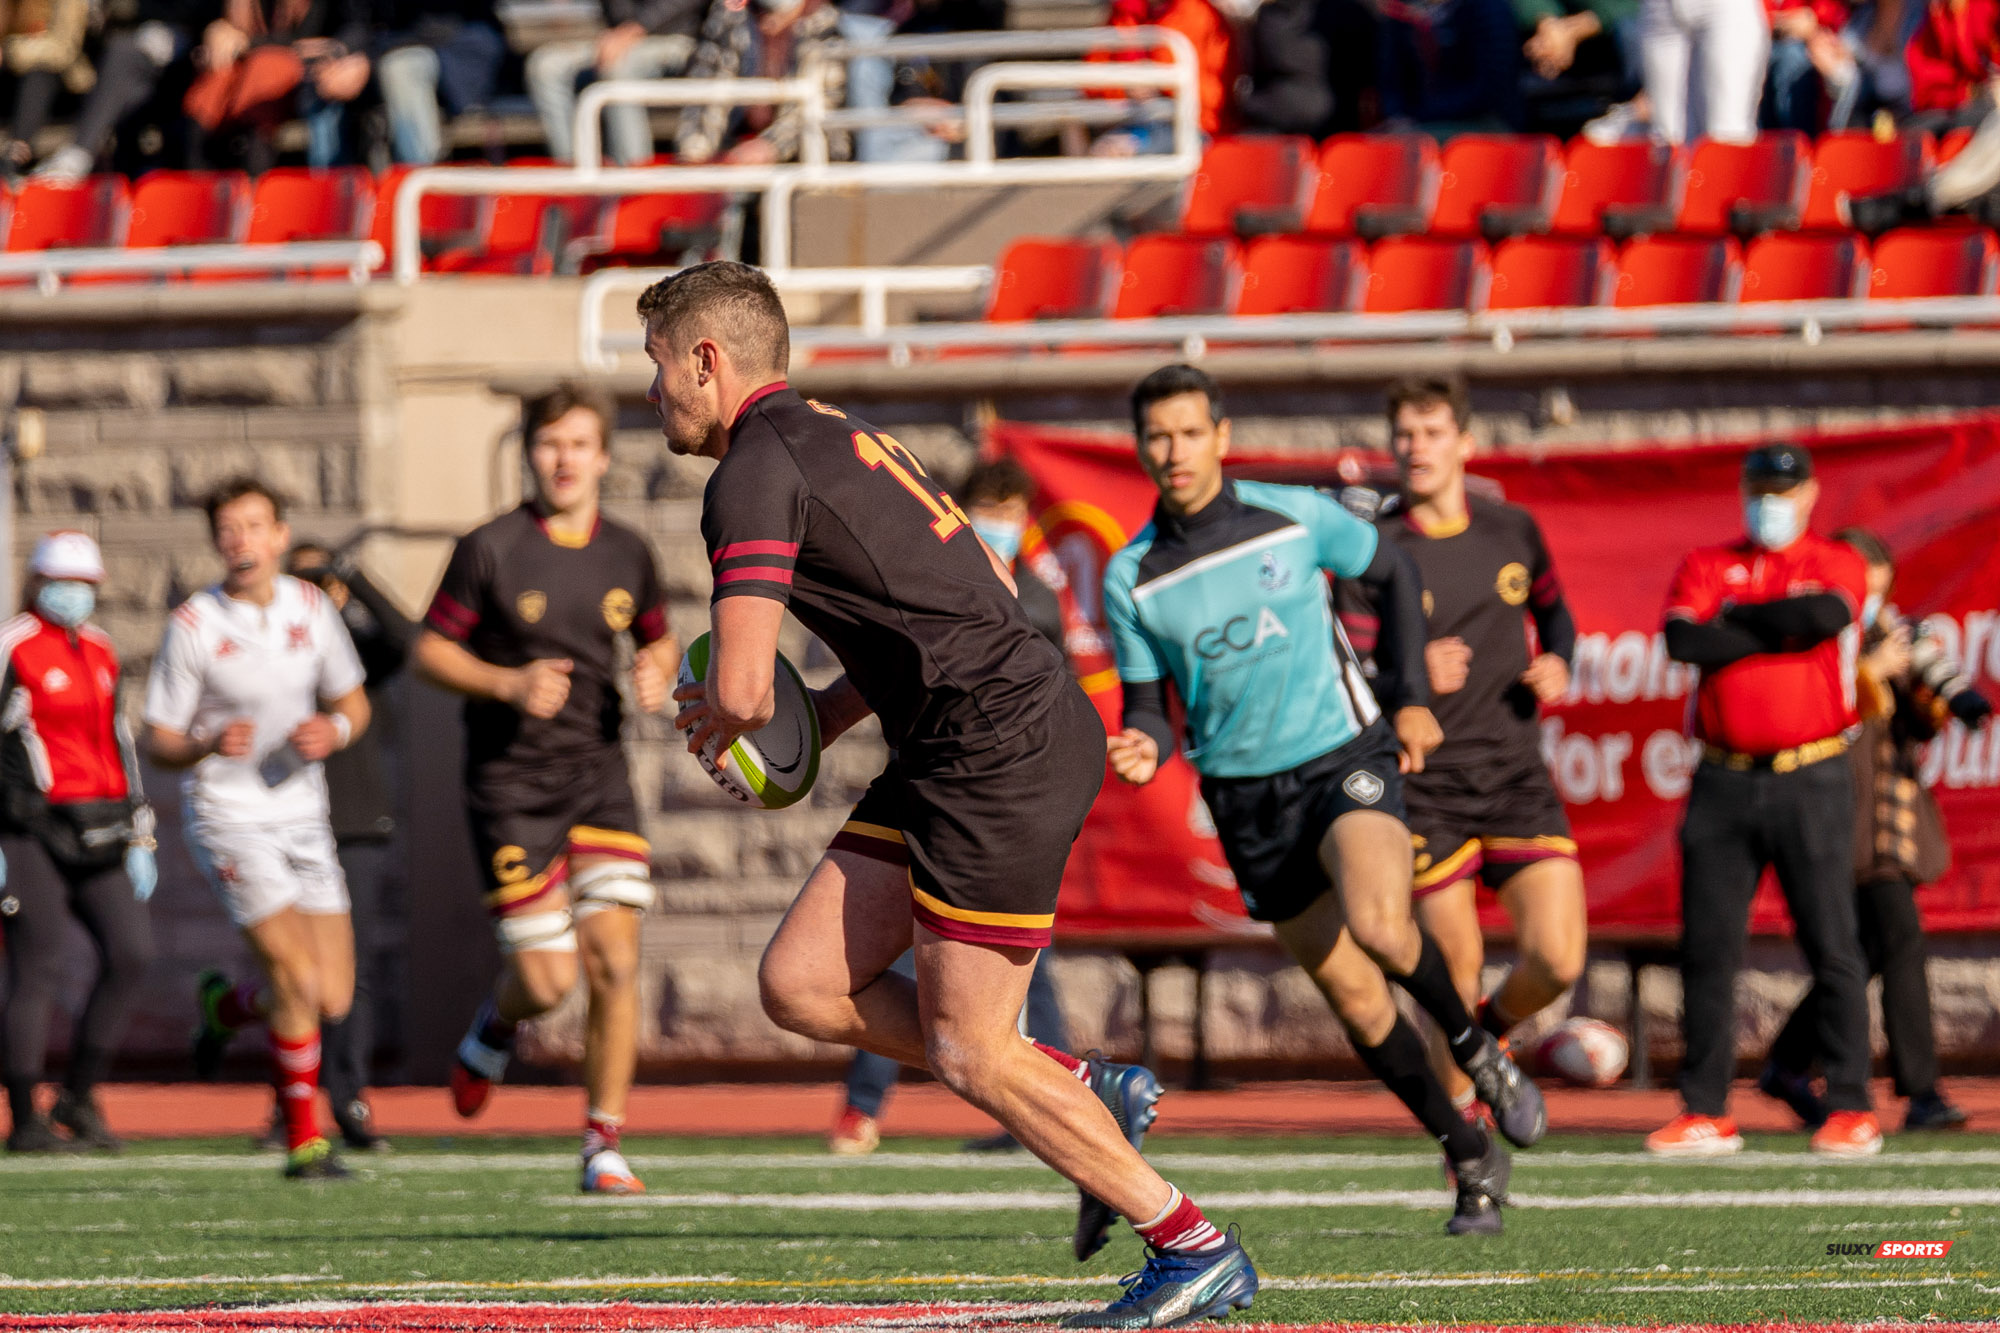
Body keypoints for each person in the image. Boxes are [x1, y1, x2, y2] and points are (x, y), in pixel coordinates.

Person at [650, 263, 1256, 1329]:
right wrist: (815, 719)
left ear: (707, 360)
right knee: (798, 983)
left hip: (992, 748)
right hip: (962, 737)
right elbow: (931, 614)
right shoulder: (831, 432)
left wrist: (716, 713)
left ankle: (1190, 1244)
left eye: (657, 367)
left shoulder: (746, 472)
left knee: (972, 1048)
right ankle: (1082, 1080)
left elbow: (741, 687)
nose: (651, 392)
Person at [1101, 363, 1543, 1238]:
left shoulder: (1295, 516)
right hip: (1244, 797)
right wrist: (1145, 741)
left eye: (1191, 432)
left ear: (1220, 437)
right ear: (1142, 448)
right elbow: (1147, 703)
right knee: (1354, 997)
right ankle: (1466, 1151)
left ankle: (1473, 1046)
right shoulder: (1132, 576)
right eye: (1159, 436)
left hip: (1346, 756)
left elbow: (1394, 570)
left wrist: (1410, 692)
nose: (1175, 450)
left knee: (1383, 925)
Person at [415, 382, 677, 1196]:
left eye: (579, 444)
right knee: (548, 979)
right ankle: (496, 1023)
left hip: (600, 779)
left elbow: (662, 642)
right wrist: (506, 682)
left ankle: (603, 1142)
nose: (564, 459)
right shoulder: (489, 547)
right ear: (529, 453)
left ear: (603, 456)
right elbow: (430, 651)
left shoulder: (629, 550)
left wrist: (656, 672)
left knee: (615, 961)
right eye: (548, 444)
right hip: (510, 786)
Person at [1337, 377, 1585, 1130]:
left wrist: (1560, 662)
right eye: (1404, 434)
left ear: (1465, 444)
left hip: (1515, 776)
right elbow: (1347, 669)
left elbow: (1556, 614)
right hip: (1427, 787)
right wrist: (1408, 676)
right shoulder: (1375, 547)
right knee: (1452, 957)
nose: (1416, 447)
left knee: (1558, 959)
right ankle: (1466, 1141)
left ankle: (1484, 1032)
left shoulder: (1512, 529)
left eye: (1432, 431)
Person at [829, 459, 1074, 1157]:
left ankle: (1053, 1094)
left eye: (1013, 509)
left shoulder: (1037, 601)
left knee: (1024, 959)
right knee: (902, 950)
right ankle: (865, 1102)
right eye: (989, 506)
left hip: (1002, 802)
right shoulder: (929, 579)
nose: (1003, 522)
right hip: (927, 788)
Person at [1649, 443, 1880, 1158]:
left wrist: (1737, 622)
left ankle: (1850, 1103)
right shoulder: (1706, 560)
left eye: (1783, 486)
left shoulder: (1834, 557)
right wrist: (1764, 625)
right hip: (1721, 777)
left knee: (1830, 939)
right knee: (1709, 946)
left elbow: (1822, 616)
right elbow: (1684, 638)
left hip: (1809, 772)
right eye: (1759, 486)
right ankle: (1706, 1106)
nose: (1769, 499)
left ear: (1810, 491)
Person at [147, 478, 370, 1181]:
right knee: (296, 975)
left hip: (303, 816)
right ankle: (306, 1136)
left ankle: (227, 1003)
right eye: (229, 529)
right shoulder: (195, 625)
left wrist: (331, 729)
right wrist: (206, 743)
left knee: (331, 993)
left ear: (279, 535)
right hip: (229, 816)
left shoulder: (310, 606)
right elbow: (159, 737)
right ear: (218, 542)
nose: (242, 540)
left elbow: (353, 702)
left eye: (255, 525)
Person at [1760, 528, 1990, 1134]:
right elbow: (1803, 707)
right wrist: (1863, 669)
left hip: (1888, 821)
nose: (1870, 602)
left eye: (1879, 591)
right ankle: (1919, 1091)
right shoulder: (1811, 638)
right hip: (1832, 812)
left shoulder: (1902, 633)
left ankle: (1787, 1063)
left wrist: (1935, 692)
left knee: (1862, 953)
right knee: (1890, 942)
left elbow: (1923, 720)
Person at [0, 532, 157, 1154]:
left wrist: (141, 830)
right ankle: (25, 1118)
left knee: (132, 952)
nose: (75, 593)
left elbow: (120, 739)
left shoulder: (101, 649)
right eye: (63, 581)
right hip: (28, 826)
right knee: (35, 965)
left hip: (98, 825)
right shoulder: (12, 644)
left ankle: (79, 1094)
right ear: (38, 582)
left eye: (85, 583)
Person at [270, 543, 413, 1152]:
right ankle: (290, 1105)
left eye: (320, 582)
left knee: (346, 974)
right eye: (300, 581)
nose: (314, 591)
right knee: (287, 969)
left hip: (353, 823)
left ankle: (348, 1098)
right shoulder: (272, 650)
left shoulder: (355, 654)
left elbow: (408, 640)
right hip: (282, 820)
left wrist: (350, 577)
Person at [526, 0, 703, 166]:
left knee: (618, 67)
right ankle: (575, 176)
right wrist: (619, 35)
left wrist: (635, 29)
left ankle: (632, 180)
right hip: (619, 38)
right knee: (545, 67)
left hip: (680, 39)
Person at [370, 0, 506, 165]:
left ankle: (421, 175)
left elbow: (437, 28)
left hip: (466, 48)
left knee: (403, 68)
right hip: (392, 44)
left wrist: (369, 56)